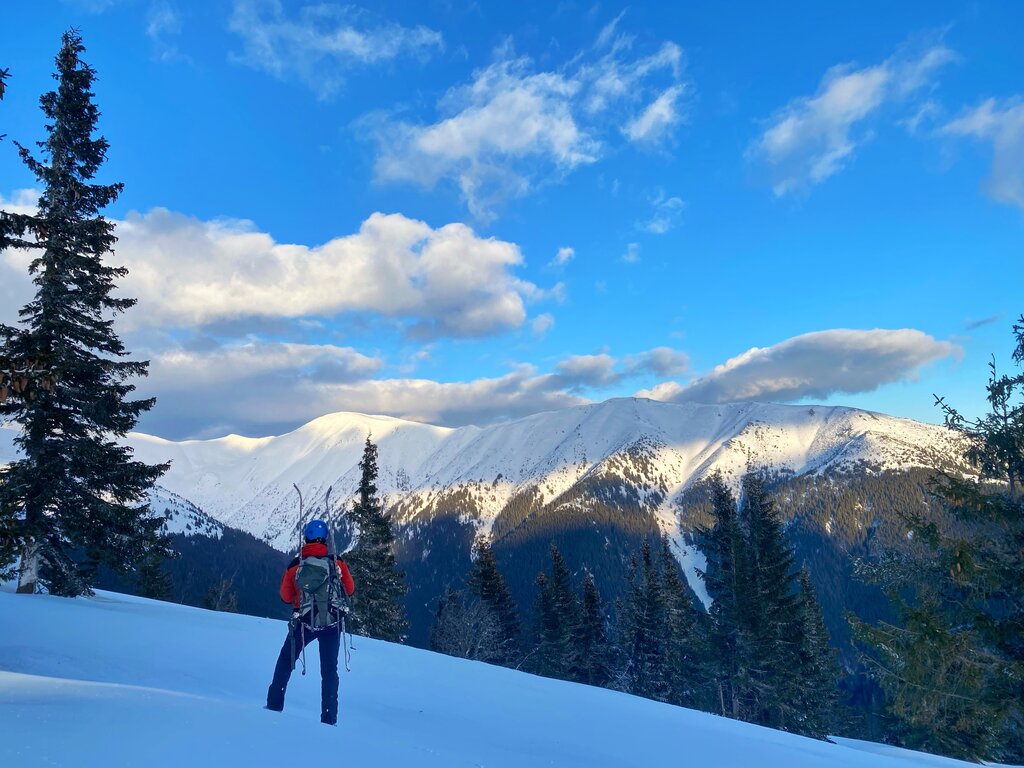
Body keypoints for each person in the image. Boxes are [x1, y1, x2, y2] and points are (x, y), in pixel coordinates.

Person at [266, 519, 356, 725]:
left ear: (306, 538)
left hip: (303, 623)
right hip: (331, 623)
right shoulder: (337, 562)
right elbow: (350, 590)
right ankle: (328, 718)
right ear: (325, 539)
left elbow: (285, 597)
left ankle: (273, 705)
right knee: (329, 672)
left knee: (285, 661)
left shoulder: (296, 565)